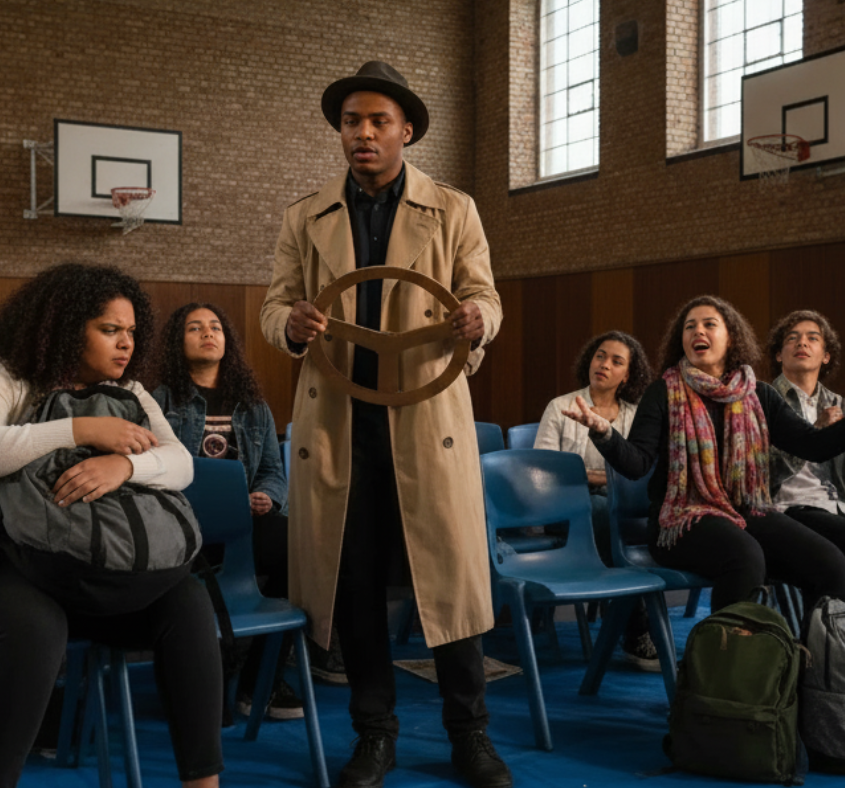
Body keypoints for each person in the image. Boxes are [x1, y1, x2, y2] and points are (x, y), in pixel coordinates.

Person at [260, 61, 510, 788]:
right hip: (340, 422)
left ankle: (471, 735)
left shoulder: (454, 209)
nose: (362, 134)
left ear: (406, 130)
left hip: (427, 418)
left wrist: (477, 319)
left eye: (377, 122)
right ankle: (374, 735)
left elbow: (484, 295)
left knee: (450, 584)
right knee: (356, 582)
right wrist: (294, 325)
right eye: (350, 122)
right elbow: (275, 307)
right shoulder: (304, 216)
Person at [0, 263, 223, 788]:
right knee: (33, 628)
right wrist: (78, 428)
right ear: (65, 324)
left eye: (131, 333)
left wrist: (124, 465)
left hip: (72, 569)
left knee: (186, 602)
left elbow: (181, 463)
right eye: (109, 330)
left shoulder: (131, 391)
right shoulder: (1, 373)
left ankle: (203, 783)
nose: (125, 345)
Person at [563, 294, 845, 614]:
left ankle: (810, 658)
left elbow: (814, 446)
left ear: (731, 337)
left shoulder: (758, 394)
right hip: (681, 518)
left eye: (710, 324)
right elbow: (636, 464)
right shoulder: (664, 392)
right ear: (680, 341)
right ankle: (722, 660)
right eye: (690, 327)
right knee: (745, 556)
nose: (698, 331)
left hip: (744, 510)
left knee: (832, 564)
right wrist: (604, 432)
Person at [152, 302, 302, 720]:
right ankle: (199, 673)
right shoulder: (158, 400)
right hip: (180, 532)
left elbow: (273, 470)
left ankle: (261, 682)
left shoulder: (251, 403)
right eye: (194, 328)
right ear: (176, 343)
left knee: (300, 549)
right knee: (205, 713)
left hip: (241, 529)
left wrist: (267, 497)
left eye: (215, 326)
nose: (207, 333)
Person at [534, 330, 657, 668]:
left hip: (619, 505)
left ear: (627, 375)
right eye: (600, 355)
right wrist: (605, 478)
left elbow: (642, 471)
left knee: (644, 517)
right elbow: (545, 470)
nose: (604, 364)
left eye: (616, 361)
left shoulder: (635, 415)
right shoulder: (561, 407)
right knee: (604, 510)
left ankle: (623, 605)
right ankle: (635, 627)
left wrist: (600, 477)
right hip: (564, 505)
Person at [767, 310, 845, 553]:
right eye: (792, 338)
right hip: (789, 507)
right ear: (779, 355)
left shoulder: (840, 404)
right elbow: (759, 471)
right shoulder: (763, 401)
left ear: (826, 356)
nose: (802, 342)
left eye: (812, 338)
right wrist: (817, 432)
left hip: (837, 507)